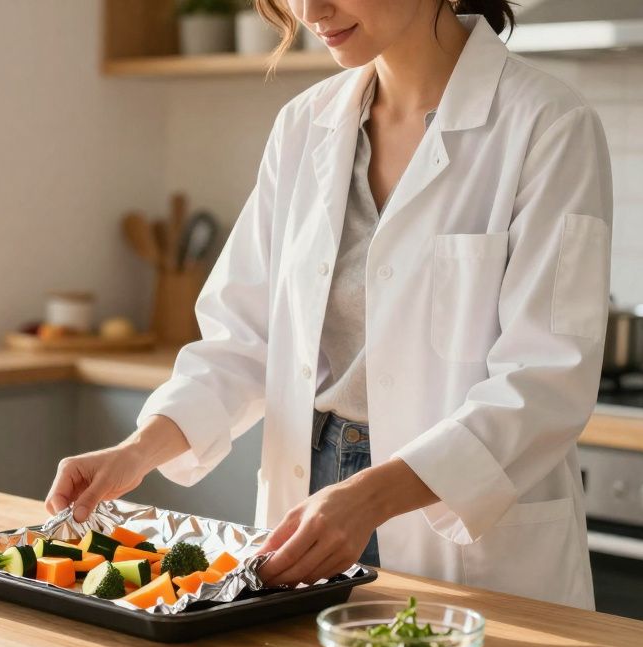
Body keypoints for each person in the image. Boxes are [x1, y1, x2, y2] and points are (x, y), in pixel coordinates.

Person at [46, 0, 611, 608]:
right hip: (310, 499)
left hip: (451, 525)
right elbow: (243, 337)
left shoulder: (547, 125)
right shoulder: (304, 124)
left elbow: (545, 381)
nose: (310, 9)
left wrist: (371, 496)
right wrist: (136, 451)